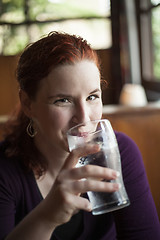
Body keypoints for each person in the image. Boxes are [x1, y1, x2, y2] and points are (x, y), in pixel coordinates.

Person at [0, 31, 160, 240]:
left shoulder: (120, 152)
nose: (84, 118)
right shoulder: (5, 171)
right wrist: (47, 216)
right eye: (63, 100)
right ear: (28, 104)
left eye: (92, 96)